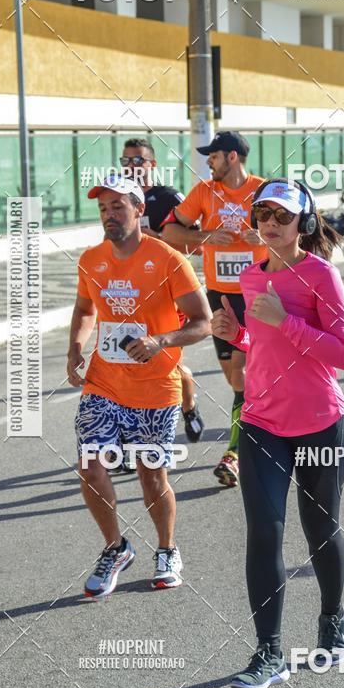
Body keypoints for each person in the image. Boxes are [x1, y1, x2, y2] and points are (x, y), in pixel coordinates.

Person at [211, 179, 344, 688]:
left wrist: (286, 320)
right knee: (265, 532)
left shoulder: (321, 274)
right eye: (263, 213)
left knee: (320, 530)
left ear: (304, 222)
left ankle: (332, 616)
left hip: (320, 422)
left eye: (282, 215)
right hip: (262, 423)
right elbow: (263, 340)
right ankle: (268, 651)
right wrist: (237, 334)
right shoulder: (251, 276)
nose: (271, 222)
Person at [67, 174, 212, 597]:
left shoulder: (168, 259)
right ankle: (115, 548)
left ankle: (167, 549)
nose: (109, 215)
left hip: (155, 387)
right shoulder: (91, 260)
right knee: (90, 466)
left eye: (117, 207)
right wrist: (75, 349)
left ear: (139, 209)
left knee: (152, 477)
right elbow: (84, 309)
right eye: (103, 209)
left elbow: (203, 322)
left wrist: (160, 341)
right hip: (105, 383)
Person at [162, 131, 266, 488]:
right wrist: (204, 237)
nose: (209, 161)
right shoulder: (204, 192)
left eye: (214, 155)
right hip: (219, 297)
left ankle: (233, 455)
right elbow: (170, 233)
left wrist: (265, 236)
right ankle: (259, 431)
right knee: (236, 380)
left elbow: (296, 231)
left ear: (232, 157)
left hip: (256, 296)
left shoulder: (263, 191)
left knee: (242, 374)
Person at [119, 138, 205, 451]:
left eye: (137, 160)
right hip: (130, 292)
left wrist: (155, 237)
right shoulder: (119, 198)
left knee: (163, 359)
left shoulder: (169, 198)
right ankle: (127, 439)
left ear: (152, 164)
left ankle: (188, 404)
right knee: (127, 359)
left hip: (170, 290)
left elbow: (197, 244)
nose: (131, 167)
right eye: (126, 161)